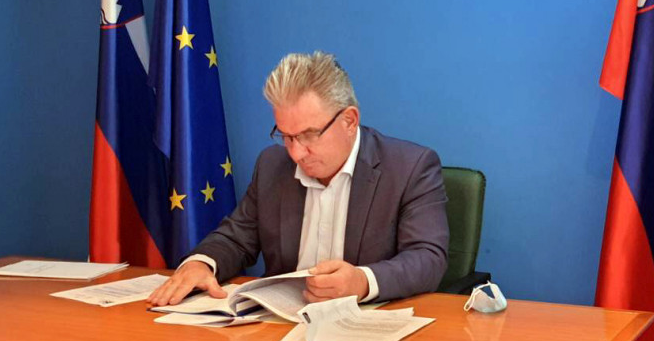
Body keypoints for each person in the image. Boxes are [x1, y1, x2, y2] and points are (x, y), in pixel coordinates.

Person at [147, 51, 449, 307]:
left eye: (308, 135)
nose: (296, 153)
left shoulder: (410, 168)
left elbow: (428, 258)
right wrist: (202, 263)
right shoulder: (271, 165)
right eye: (287, 136)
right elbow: (236, 238)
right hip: (279, 327)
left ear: (349, 120)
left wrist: (363, 281)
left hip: (367, 326)